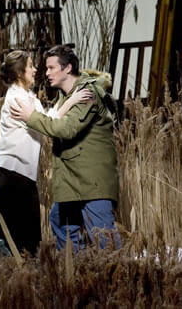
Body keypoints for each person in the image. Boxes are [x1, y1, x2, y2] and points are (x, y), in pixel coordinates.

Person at [10, 45, 120, 251]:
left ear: (67, 68)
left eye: (51, 68)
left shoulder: (88, 93)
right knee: (59, 221)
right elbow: (56, 117)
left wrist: (30, 117)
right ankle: (76, 274)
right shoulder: (66, 97)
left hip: (92, 183)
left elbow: (66, 129)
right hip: (74, 183)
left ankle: (118, 277)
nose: (47, 73)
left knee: (104, 238)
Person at [0, 50, 89, 255]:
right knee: (19, 239)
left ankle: (26, 279)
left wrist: (68, 101)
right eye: (30, 66)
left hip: (21, 174)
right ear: (19, 73)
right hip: (11, 174)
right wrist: (71, 101)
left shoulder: (26, 96)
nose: (35, 70)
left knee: (27, 238)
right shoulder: (18, 98)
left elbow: (45, 119)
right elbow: (45, 125)